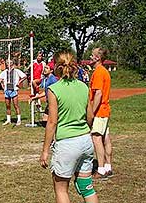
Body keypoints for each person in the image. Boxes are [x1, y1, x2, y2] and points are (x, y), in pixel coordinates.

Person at [40, 52, 98, 203]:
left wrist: (45, 150)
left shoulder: (54, 89)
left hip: (66, 143)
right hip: (85, 141)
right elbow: (90, 116)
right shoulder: (83, 87)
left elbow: (52, 122)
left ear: (57, 68)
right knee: (86, 187)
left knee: (61, 189)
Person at [89, 48, 113, 179]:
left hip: (100, 111)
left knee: (96, 138)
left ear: (98, 58)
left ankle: (101, 169)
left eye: (92, 55)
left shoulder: (98, 72)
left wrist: (92, 112)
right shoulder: (104, 71)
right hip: (105, 110)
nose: (90, 57)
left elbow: (98, 93)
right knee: (106, 138)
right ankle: (108, 166)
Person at [0, 60, 27, 126]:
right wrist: (1, 82)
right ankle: (8, 120)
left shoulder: (16, 71)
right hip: (7, 90)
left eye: (9, 63)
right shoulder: (5, 72)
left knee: (15, 105)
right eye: (7, 63)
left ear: (12, 64)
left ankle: (19, 120)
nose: (8, 64)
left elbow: (24, 76)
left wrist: (19, 82)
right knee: (8, 106)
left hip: (14, 90)